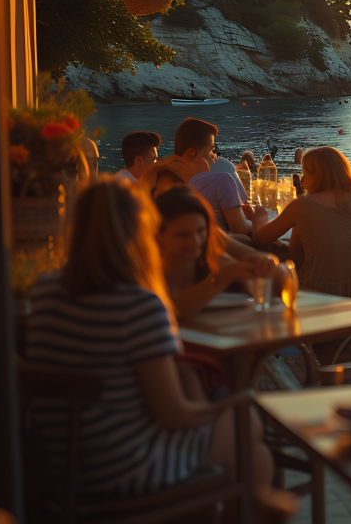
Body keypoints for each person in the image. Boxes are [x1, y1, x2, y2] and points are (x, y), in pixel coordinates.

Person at [23, 178, 290, 517]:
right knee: (248, 428)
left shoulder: (45, 290)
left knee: (239, 439)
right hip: (123, 467)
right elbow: (174, 414)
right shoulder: (140, 306)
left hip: (58, 465)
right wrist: (238, 401)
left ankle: (243, 501)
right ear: (141, 232)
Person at [252, 147, 351, 301]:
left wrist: (258, 218)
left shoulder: (301, 205)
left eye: (305, 173)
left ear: (317, 176)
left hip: (320, 293)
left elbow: (261, 239)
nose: (302, 181)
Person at [155, 186, 276, 320]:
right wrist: (220, 279)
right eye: (183, 235)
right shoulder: (147, 271)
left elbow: (274, 276)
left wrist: (263, 264)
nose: (195, 241)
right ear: (158, 235)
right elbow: (169, 311)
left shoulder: (213, 259)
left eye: (200, 231)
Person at [175, 118, 266, 238]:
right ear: (191, 154)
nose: (215, 157)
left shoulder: (175, 186)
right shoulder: (222, 180)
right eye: (211, 151)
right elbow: (241, 229)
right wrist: (258, 219)